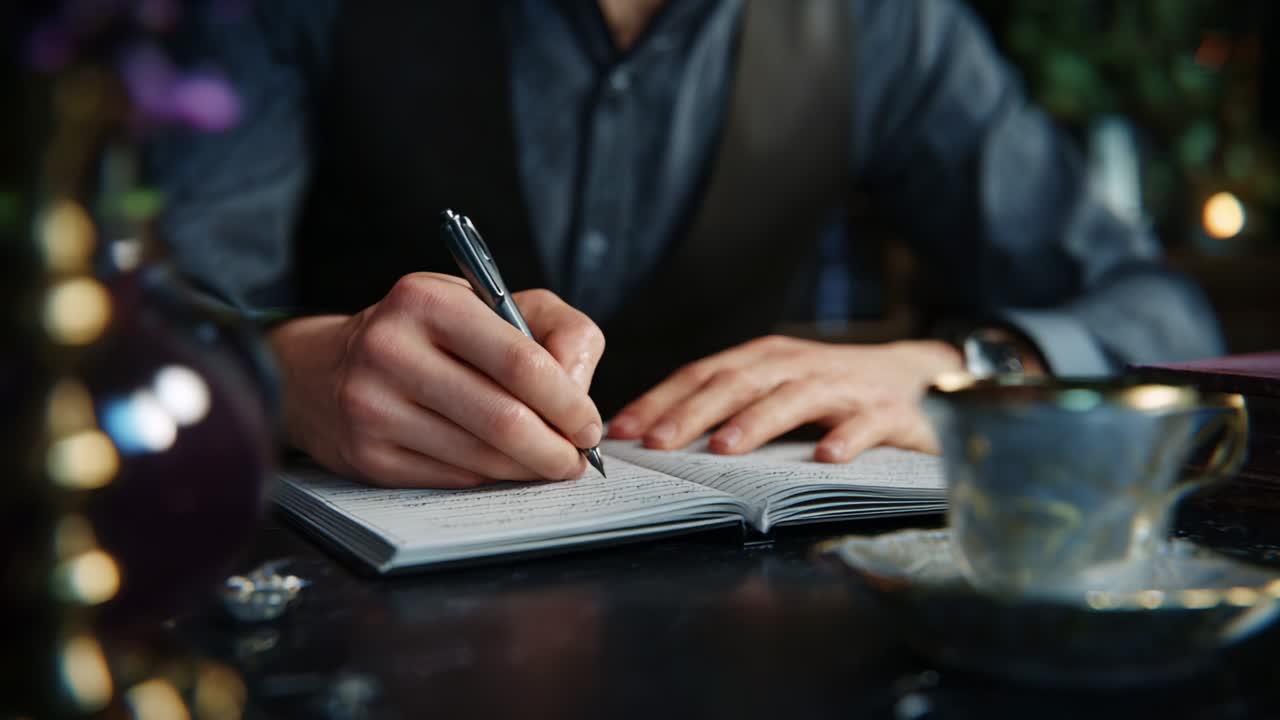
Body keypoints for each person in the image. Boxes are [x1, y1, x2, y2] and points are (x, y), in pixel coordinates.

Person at [147, 0, 1224, 489]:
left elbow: (1161, 316)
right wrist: (291, 378)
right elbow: (138, 318)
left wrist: (968, 371)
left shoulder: (887, 22)